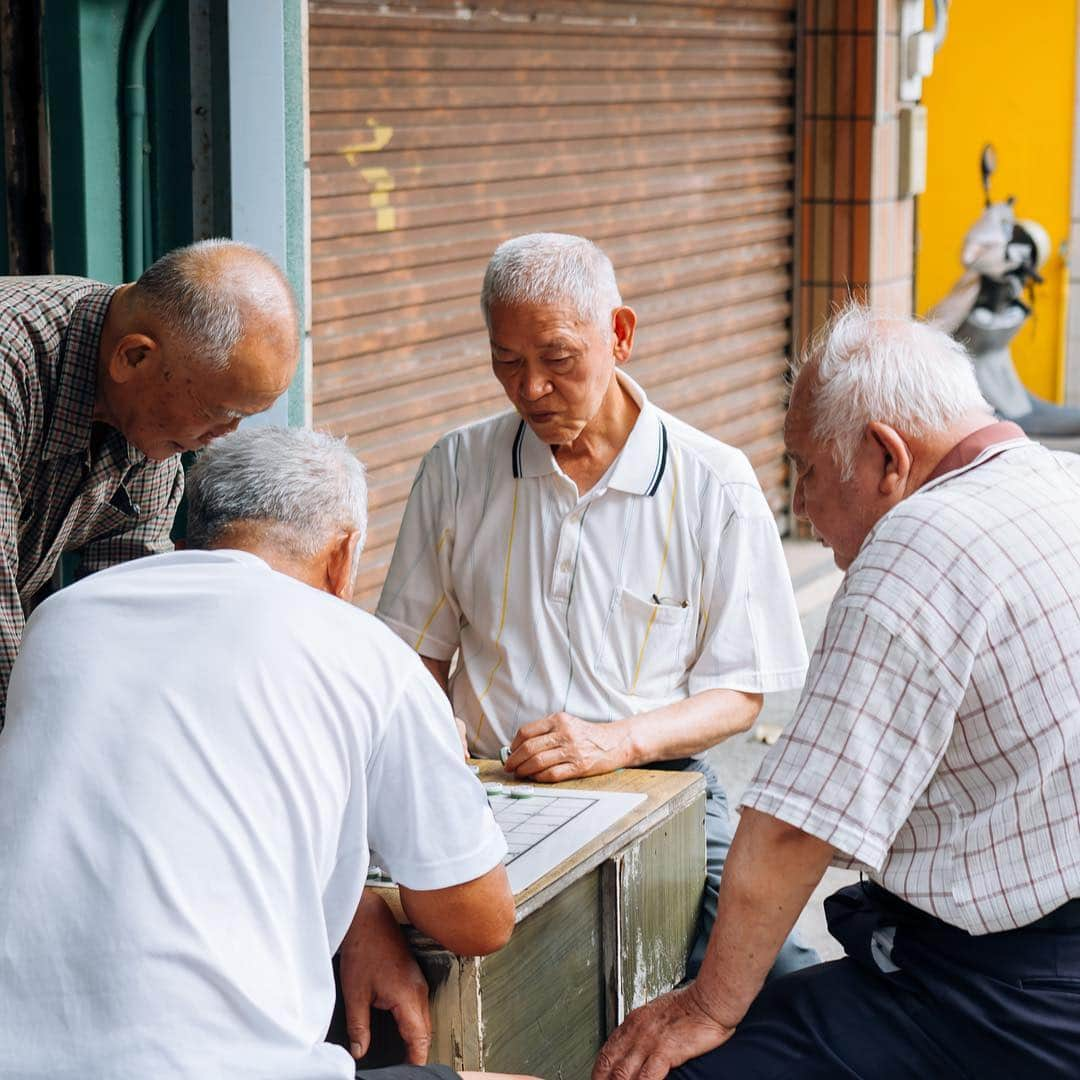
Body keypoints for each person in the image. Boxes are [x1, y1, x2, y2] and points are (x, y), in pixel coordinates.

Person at [594, 304, 1080, 1080]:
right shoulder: (1062, 479)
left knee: (674, 1070)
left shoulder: (919, 544)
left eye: (808, 470)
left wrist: (707, 1009)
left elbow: (791, 832)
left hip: (1000, 993)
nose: (801, 507)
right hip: (1029, 965)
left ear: (887, 457)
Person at [0, 426, 527, 1080]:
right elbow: (479, 921)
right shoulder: (363, 651)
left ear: (192, 534)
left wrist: (353, 903)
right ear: (344, 555)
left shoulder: (60, 622)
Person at [377, 232, 817, 977]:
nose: (531, 390)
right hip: (486, 786)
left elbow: (740, 692)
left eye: (557, 359)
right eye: (506, 362)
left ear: (619, 335)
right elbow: (414, 652)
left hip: (662, 782)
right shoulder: (456, 468)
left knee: (773, 976)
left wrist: (614, 743)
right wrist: (434, 727)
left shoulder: (715, 483)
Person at [0, 238, 299, 725]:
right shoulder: (10, 360)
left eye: (244, 417)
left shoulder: (149, 421)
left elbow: (130, 607)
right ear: (134, 358)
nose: (223, 436)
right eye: (216, 413)